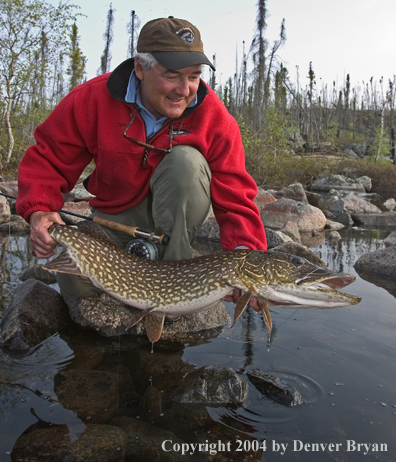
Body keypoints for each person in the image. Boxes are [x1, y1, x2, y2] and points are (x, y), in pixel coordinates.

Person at [16, 16, 267, 300]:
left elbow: (236, 195)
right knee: (77, 286)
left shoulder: (215, 118)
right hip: (116, 216)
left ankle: (175, 279)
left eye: (194, 76)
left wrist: (246, 256)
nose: (184, 90)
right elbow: (48, 158)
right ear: (140, 68)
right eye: (171, 76)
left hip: (176, 215)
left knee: (186, 163)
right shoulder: (92, 99)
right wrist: (39, 210)